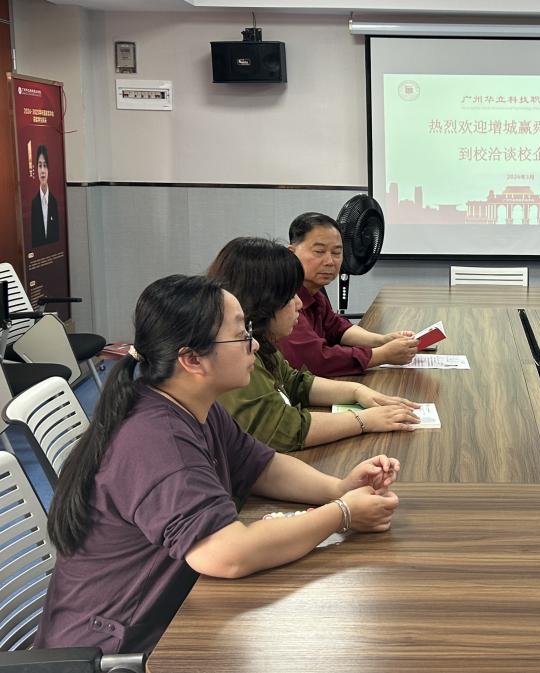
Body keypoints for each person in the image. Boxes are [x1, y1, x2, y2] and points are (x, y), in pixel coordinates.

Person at [36, 275, 402, 654]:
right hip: (113, 650)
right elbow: (227, 554)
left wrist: (338, 488)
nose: (254, 344)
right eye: (241, 335)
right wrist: (342, 514)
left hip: (165, 617)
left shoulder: (192, 405)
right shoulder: (155, 440)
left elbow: (261, 466)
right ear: (192, 359)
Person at [208, 237, 420, 452]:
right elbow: (284, 431)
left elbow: (294, 382)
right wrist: (363, 420)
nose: (299, 303)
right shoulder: (234, 356)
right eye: (290, 296)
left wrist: (356, 390)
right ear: (262, 300)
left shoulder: (259, 341)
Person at [278, 212, 418, 377]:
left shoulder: (315, 292)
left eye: (336, 253)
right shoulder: (283, 298)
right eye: (319, 251)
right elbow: (316, 361)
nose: (330, 262)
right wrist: (383, 354)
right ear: (291, 252)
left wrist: (383, 340)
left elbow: (337, 328)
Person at [30, 144, 60, 247]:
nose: (42, 170)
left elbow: (57, 238)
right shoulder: (34, 204)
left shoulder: (54, 202)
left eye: (45, 165)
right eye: (40, 166)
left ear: (48, 169)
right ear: (36, 169)